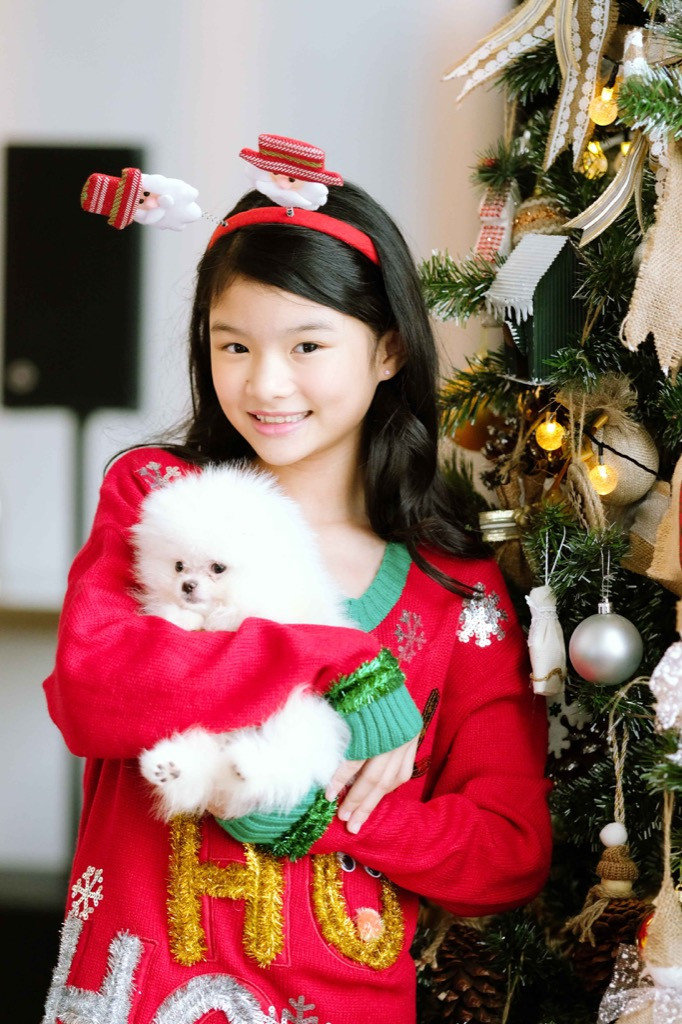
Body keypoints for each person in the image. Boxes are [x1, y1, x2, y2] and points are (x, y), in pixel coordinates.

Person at [42, 135, 551, 1024]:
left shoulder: (454, 589)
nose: (266, 383)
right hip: (133, 996)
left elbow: (507, 852)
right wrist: (336, 658)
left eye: (307, 344)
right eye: (233, 346)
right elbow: (91, 694)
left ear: (389, 350)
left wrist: (323, 816)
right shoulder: (161, 501)